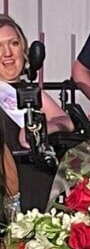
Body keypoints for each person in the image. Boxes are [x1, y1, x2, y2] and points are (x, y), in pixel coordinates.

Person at [0, 15, 74, 210]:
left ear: (24, 50)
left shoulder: (31, 91)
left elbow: (66, 121)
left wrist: (39, 128)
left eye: (13, 43)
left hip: (40, 187)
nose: (7, 53)